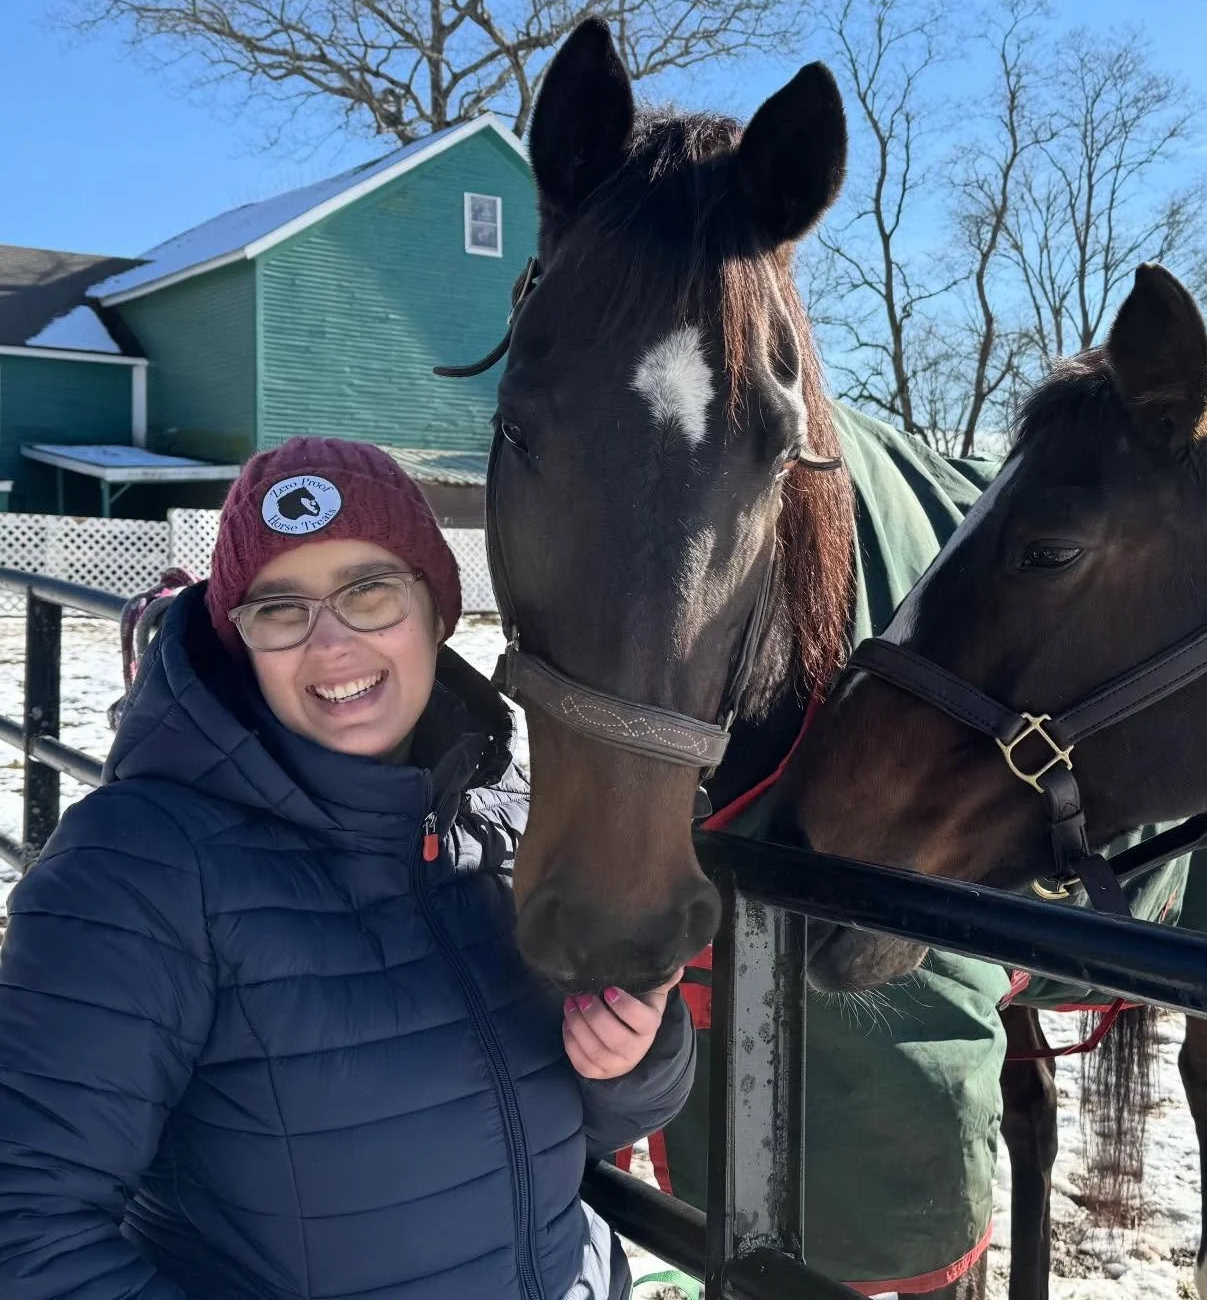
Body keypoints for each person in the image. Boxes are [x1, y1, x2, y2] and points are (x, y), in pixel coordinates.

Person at [0, 437, 694, 1300]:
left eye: (369, 592)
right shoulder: (140, 868)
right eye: (280, 609)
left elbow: (571, 1126)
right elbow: (24, 1227)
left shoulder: (509, 808)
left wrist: (632, 1054)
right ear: (240, 640)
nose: (330, 643)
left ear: (437, 610)